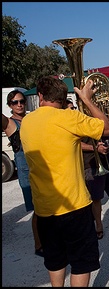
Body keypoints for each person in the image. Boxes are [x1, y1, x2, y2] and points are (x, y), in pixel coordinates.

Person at [20, 76, 109, 287]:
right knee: (81, 263)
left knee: (55, 260)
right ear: (63, 99)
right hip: (74, 205)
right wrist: (87, 99)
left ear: (40, 96)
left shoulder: (26, 122)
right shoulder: (69, 118)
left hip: (44, 208)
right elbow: (107, 129)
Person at [2, 90, 43, 257]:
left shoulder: (32, 118)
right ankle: (39, 244)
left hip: (41, 166)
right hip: (27, 169)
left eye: (21, 101)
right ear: (9, 105)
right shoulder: (10, 123)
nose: (19, 104)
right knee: (37, 210)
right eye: (14, 102)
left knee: (47, 206)